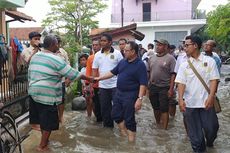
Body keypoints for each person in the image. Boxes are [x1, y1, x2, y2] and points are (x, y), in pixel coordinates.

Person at [28, 35, 92, 151]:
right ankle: (42, 146)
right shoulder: (56, 59)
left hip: (33, 92)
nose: (58, 46)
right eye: (57, 43)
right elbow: (73, 74)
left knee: (42, 120)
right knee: (48, 122)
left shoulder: (36, 56)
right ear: (53, 45)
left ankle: (45, 141)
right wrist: (91, 78)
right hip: (47, 94)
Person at [95, 41, 148, 142]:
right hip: (119, 93)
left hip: (131, 94)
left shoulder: (140, 65)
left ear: (133, 51)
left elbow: (143, 83)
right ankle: (124, 135)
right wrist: (99, 78)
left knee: (129, 118)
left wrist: (140, 99)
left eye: (126, 51)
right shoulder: (123, 62)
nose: (124, 52)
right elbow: (112, 72)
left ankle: (131, 143)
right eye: (124, 50)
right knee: (115, 114)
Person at [175, 35, 220, 153]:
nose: (184, 48)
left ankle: (210, 143)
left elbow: (214, 80)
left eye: (187, 45)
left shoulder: (209, 61)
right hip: (190, 105)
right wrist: (180, 99)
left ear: (195, 46)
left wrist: (211, 97)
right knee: (196, 138)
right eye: (184, 45)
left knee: (212, 129)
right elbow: (181, 83)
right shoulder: (184, 64)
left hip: (206, 103)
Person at [92, 33, 123, 128]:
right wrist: (94, 83)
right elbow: (94, 69)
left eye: (104, 41)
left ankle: (122, 128)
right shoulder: (97, 55)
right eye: (101, 41)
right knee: (105, 109)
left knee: (118, 107)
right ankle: (108, 130)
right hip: (103, 86)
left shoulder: (117, 53)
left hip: (115, 86)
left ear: (110, 42)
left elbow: (122, 68)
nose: (102, 42)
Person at [147, 39, 176, 130]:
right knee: (155, 107)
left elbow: (173, 75)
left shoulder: (170, 58)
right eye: (156, 45)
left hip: (165, 87)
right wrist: (147, 86)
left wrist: (171, 89)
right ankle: (158, 124)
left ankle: (164, 130)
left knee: (164, 109)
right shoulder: (151, 58)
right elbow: (148, 72)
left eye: (160, 45)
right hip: (153, 86)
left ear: (166, 47)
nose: (157, 46)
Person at [85, 39, 102, 122]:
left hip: (104, 85)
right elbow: (88, 72)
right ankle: (98, 120)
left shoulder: (104, 56)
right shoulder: (90, 58)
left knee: (105, 104)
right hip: (94, 85)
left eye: (96, 45)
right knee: (95, 104)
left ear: (100, 45)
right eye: (93, 45)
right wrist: (88, 85)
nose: (95, 47)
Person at [55, 35, 71, 123]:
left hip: (61, 81)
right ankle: (53, 117)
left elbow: (67, 65)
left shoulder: (63, 52)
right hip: (50, 82)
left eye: (58, 43)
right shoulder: (46, 52)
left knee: (61, 100)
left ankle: (60, 116)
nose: (57, 45)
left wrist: (68, 78)